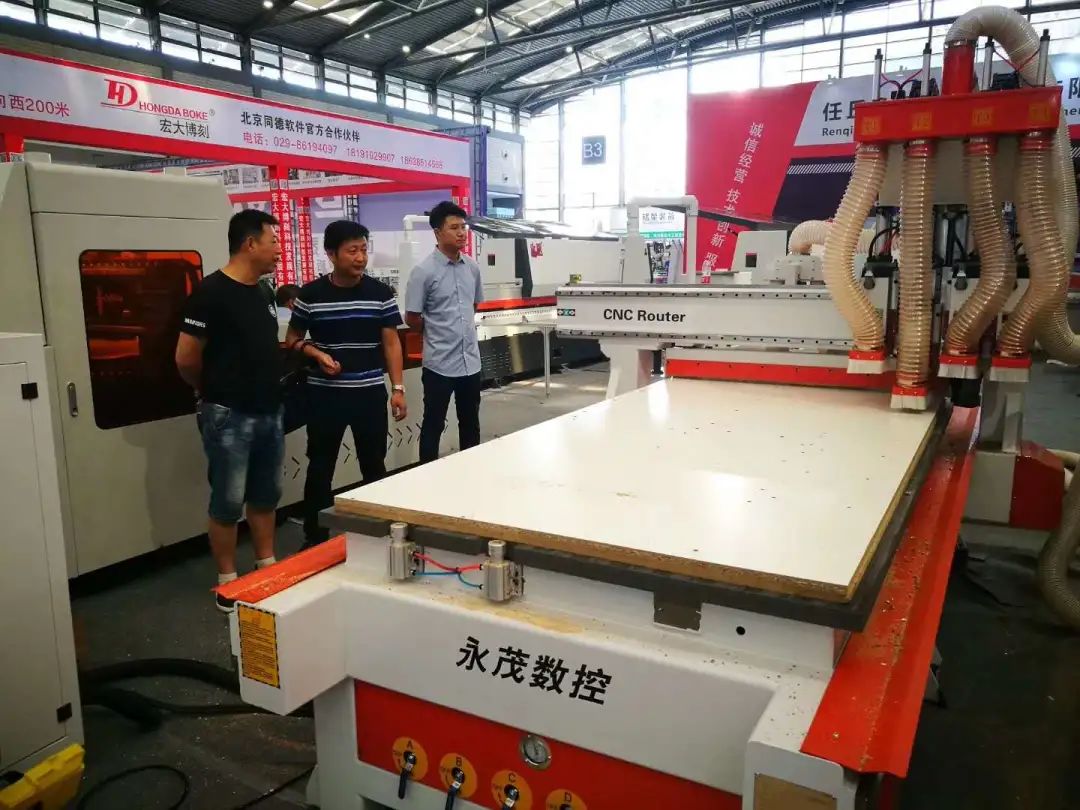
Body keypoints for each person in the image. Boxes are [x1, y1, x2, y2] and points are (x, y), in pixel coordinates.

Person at [175, 209, 284, 611]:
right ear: (250, 244)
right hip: (228, 413)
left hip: (269, 409)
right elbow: (186, 358)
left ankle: (266, 564)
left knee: (265, 494)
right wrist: (209, 390)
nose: (279, 249)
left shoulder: (264, 291)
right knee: (228, 499)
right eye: (273, 241)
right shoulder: (211, 293)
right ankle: (227, 579)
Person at [286, 220, 407, 548]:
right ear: (331, 254)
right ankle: (314, 537)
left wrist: (398, 389)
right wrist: (315, 353)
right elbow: (292, 339)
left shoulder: (380, 294)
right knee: (320, 467)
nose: (360, 257)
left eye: (364, 249)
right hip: (324, 398)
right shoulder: (310, 295)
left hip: (369, 395)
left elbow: (391, 344)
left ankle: (377, 536)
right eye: (352, 250)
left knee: (373, 465)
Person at [405, 201, 484, 464]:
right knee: (433, 424)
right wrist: (439, 331)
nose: (461, 233)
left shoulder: (472, 268)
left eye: (463, 227)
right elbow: (412, 317)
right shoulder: (423, 272)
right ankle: (427, 473)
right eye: (454, 227)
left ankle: (470, 469)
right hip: (439, 364)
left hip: (470, 363)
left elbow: (473, 306)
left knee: (470, 422)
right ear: (437, 232)